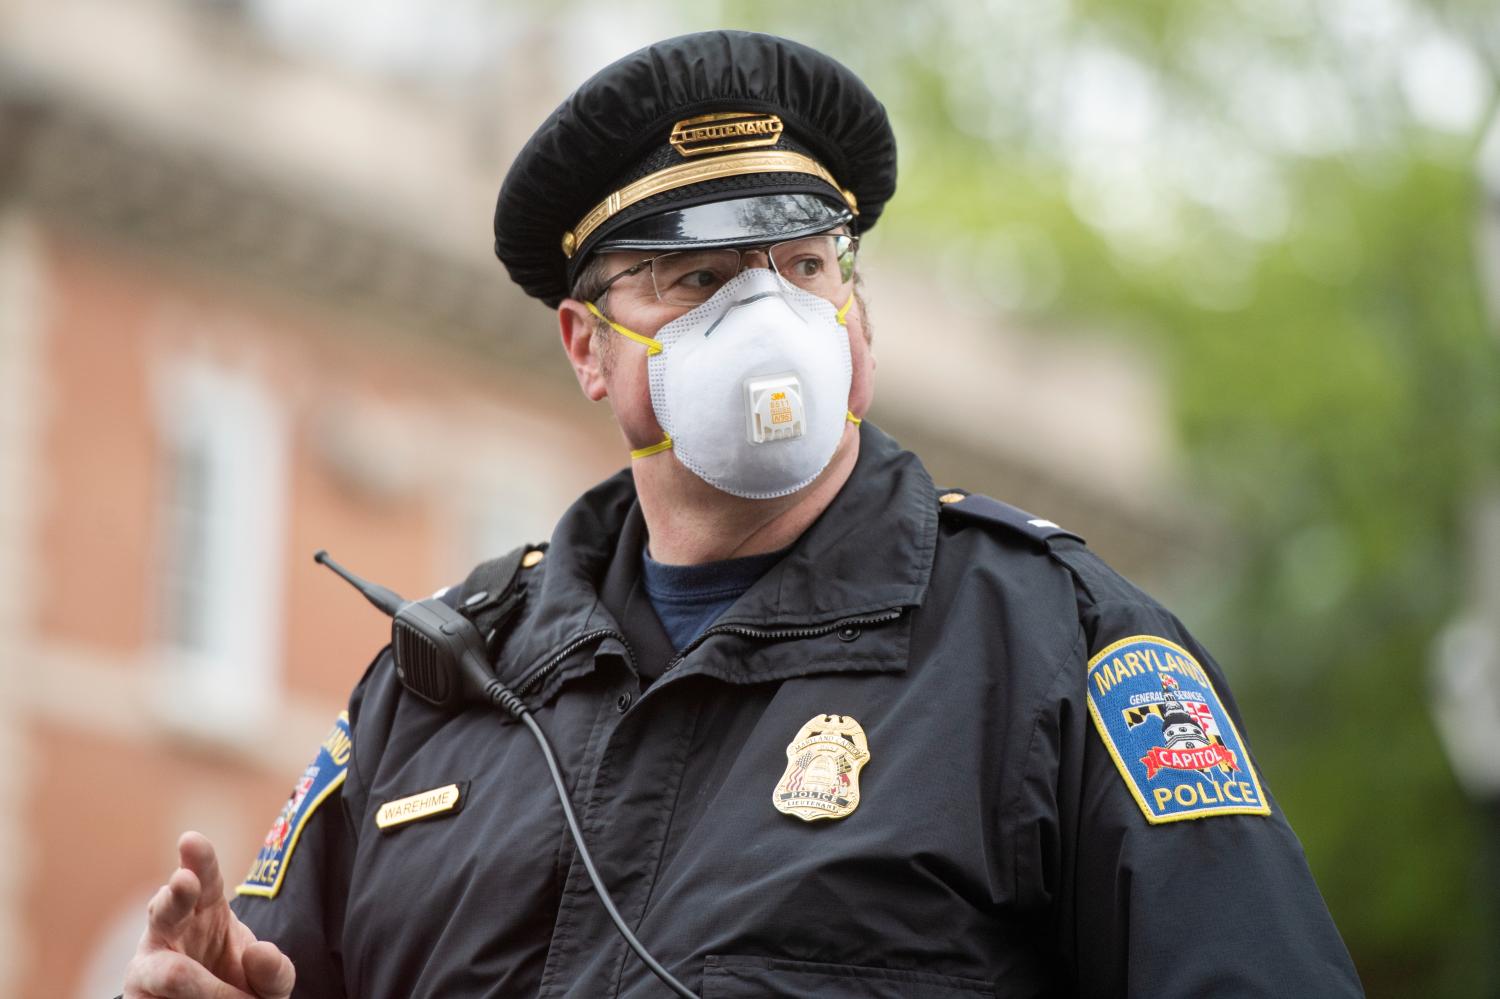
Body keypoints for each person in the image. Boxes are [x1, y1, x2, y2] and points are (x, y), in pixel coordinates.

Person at [121, 30, 1365, 999]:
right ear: (588, 348)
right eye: (695, 279)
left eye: (807, 268)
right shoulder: (441, 685)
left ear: (858, 324)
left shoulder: (1055, 650)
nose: (767, 320)